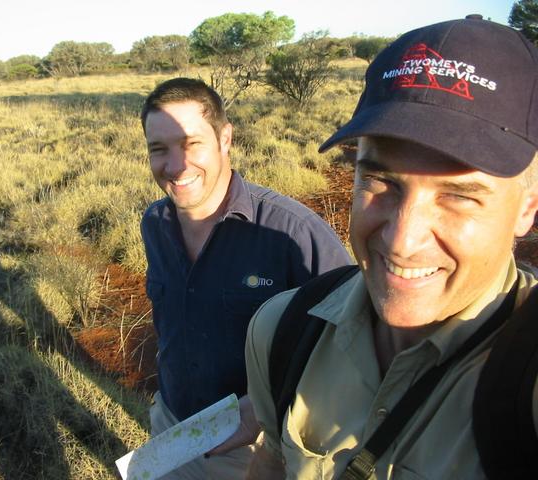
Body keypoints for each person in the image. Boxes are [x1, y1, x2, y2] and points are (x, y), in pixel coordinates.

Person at [245, 15, 538, 479]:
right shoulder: (283, 330)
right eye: (379, 180)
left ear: (528, 208)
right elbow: (272, 460)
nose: (402, 240)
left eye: (459, 196)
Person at [140, 77, 351, 479]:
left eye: (191, 143)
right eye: (158, 149)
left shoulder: (293, 232)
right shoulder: (154, 224)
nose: (176, 165)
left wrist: (261, 410)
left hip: (260, 447)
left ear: (225, 139)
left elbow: (351, 343)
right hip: (172, 424)